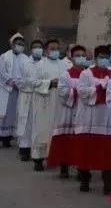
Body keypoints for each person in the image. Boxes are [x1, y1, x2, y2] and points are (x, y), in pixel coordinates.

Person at [74, 45, 111, 194]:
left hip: (108, 120)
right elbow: (81, 91)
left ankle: (108, 182)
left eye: (106, 57)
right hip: (89, 119)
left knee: (107, 152)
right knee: (87, 151)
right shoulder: (86, 73)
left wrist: (109, 89)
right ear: (96, 58)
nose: (104, 60)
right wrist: (99, 89)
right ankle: (85, 180)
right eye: (101, 57)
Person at [47, 44, 87, 178]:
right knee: (65, 140)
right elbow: (62, 92)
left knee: (81, 142)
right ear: (71, 57)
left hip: (83, 113)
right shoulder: (66, 74)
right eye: (77, 55)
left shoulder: (88, 74)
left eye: (83, 56)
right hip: (68, 111)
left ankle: (81, 169)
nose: (80, 58)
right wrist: (79, 93)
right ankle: (64, 166)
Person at [29, 38, 66, 171]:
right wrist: (50, 83)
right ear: (46, 50)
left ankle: (56, 158)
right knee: (41, 129)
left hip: (60, 103)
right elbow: (32, 83)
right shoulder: (39, 65)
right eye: (52, 49)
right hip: (44, 101)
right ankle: (38, 158)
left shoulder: (64, 65)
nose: (55, 51)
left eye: (57, 49)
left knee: (58, 130)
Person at [0, 32, 25, 149]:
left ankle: (7, 138)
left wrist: (19, 83)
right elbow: (0, 72)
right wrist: (11, 82)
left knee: (12, 114)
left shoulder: (25, 59)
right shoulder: (4, 56)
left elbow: (26, 73)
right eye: (18, 43)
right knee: (0, 113)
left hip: (16, 91)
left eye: (22, 44)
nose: (20, 46)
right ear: (12, 44)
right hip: (3, 90)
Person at [15, 39, 42, 161]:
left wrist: (39, 85)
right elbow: (19, 81)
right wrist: (32, 85)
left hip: (41, 97)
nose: (38, 49)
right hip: (27, 96)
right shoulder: (25, 63)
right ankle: (24, 148)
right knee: (25, 122)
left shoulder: (45, 63)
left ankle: (36, 149)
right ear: (31, 50)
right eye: (35, 47)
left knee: (38, 122)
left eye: (40, 47)